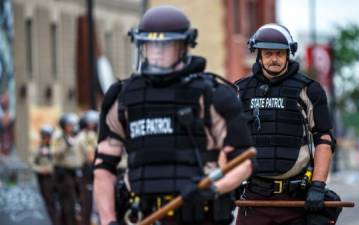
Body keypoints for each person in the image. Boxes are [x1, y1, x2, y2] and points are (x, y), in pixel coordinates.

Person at [93, 5, 254, 225]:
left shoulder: (213, 96)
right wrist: (108, 220)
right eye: (150, 44)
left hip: (200, 214)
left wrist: (213, 188)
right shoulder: (122, 98)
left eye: (165, 44)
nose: (157, 50)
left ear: (183, 46)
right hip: (144, 214)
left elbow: (243, 162)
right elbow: (103, 167)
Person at [235, 23, 336, 225]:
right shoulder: (239, 91)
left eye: (280, 54)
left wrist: (317, 186)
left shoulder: (310, 91)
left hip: (295, 200)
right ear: (258, 54)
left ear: (289, 54)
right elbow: (228, 142)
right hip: (254, 199)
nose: (274, 59)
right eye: (268, 53)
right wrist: (230, 183)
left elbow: (324, 139)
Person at [52, 112, 83, 225]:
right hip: (63, 173)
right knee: (66, 201)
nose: (72, 127)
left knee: (73, 200)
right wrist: (65, 144)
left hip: (75, 172)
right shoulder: (58, 137)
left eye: (73, 125)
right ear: (64, 125)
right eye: (69, 125)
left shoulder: (75, 136)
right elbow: (55, 153)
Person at [30, 124, 60, 225]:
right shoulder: (38, 148)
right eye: (45, 136)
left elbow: (58, 160)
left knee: (54, 202)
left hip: (55, 177)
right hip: (43, 178)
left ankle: (55, 221)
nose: (46, 138)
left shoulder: (54, 148)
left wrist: (50, 168)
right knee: (46, 201)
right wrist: (41, 169)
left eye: (48, 136)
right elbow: (32, 163)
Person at [76, 110, 99, 225]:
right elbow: (90, 156)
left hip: (93, 169)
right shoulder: (83, 136)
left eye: (94, 122)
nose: (93, 124)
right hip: (85, 170)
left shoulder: (93, 135)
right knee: (87, 201)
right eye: (90, 122)